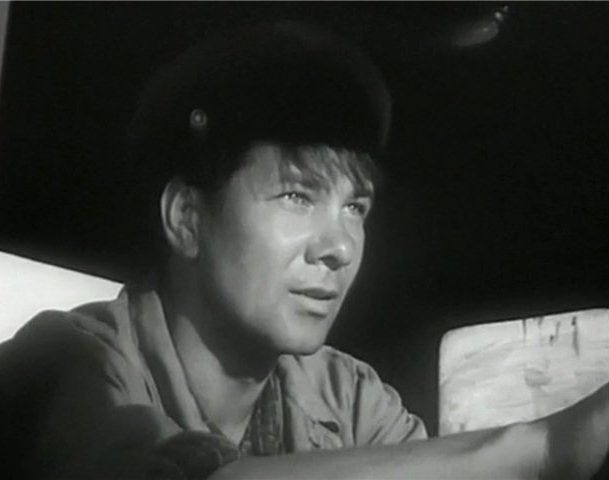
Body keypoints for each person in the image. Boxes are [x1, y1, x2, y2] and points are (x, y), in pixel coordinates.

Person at [0, 20, 608, 480]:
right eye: (296, 196)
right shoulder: (70, 363)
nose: (339, 247)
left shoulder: (350, 396)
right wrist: (550, 446)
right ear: (186, 217)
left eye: (355, 208)